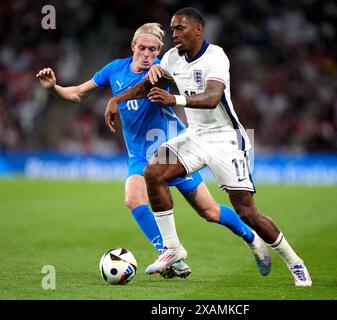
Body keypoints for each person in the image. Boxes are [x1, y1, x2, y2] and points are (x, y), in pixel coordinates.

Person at [36, 23, 271, 279]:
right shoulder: (114, 69)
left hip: (173, 152)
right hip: (139, 155)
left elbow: (192, 84)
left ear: (159, 50)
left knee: (210, 212)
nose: (148, 54)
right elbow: (78, 93)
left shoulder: (161, 71)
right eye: (143, 49)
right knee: (133, 199)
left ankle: (252, 238)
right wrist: (53, 89)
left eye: (153, 49)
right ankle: (171, 256)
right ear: (133, 47)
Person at [104, 9, 312, 286]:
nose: (175, 34)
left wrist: (174, 99)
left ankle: (295, 263)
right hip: (196, 135)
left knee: (247, 212)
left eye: (181, 28)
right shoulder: (171, 59)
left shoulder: (216, 56)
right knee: (153, 172)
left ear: (199, 30)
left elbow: (213, 97)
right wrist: (116, 100)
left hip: (226, 140)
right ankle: (172, 249)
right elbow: (147, 86)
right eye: (173, 29)